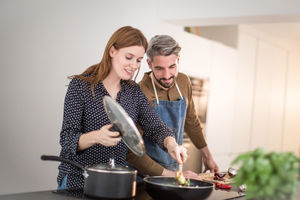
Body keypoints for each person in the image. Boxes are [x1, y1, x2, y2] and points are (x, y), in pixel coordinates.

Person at [57, 27, 188, 189]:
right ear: (112, 51)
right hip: (79, 181)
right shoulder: (81, 86)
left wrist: (172, 144)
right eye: (129, 57)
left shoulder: (133, 92)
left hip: (115, 183)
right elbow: (67, 139)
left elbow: (156, 127)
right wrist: (96, 136)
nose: (134, 65)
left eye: (139, 60)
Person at [126, 35, 219, 179]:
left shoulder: (183, 81)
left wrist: (207, 156)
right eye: (160, 69)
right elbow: (132, 151)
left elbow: (192, 122)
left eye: (172, 66)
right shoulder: (140, 92)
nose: (167, 75)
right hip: (144, 176)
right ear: (149, 64)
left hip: (174, 170)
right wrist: (173, 175)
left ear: (178, 60)